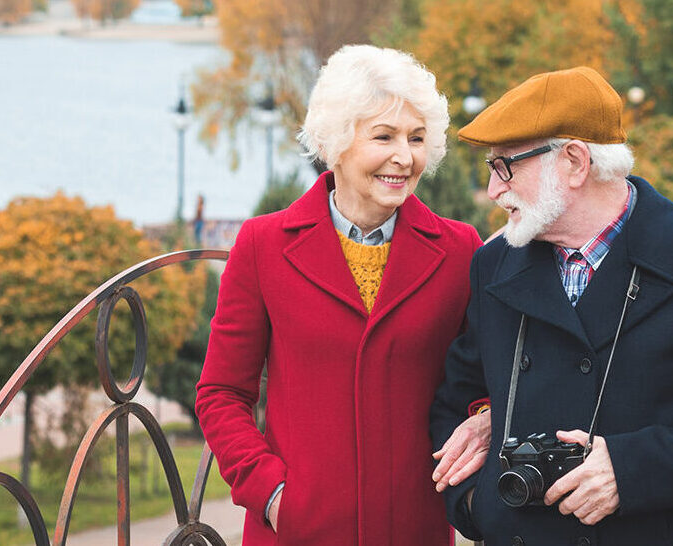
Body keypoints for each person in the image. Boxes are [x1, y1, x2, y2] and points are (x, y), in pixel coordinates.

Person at [429, 66, 673, 546]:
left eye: (506, 166)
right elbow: (456, 402)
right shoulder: (493, 265)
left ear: (574, 162)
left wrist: (629, 471)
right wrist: (479, 506)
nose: (494, 190)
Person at [195, 44, 486, 546]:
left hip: (414, 529)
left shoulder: (460, 250)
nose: (405, 156)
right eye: (384, 136)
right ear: (338, 140)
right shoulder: (263, 245)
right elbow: (222, 394)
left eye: (417, 138)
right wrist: (271, 495)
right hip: (296, 531)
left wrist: (482, 425)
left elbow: (485, 379)